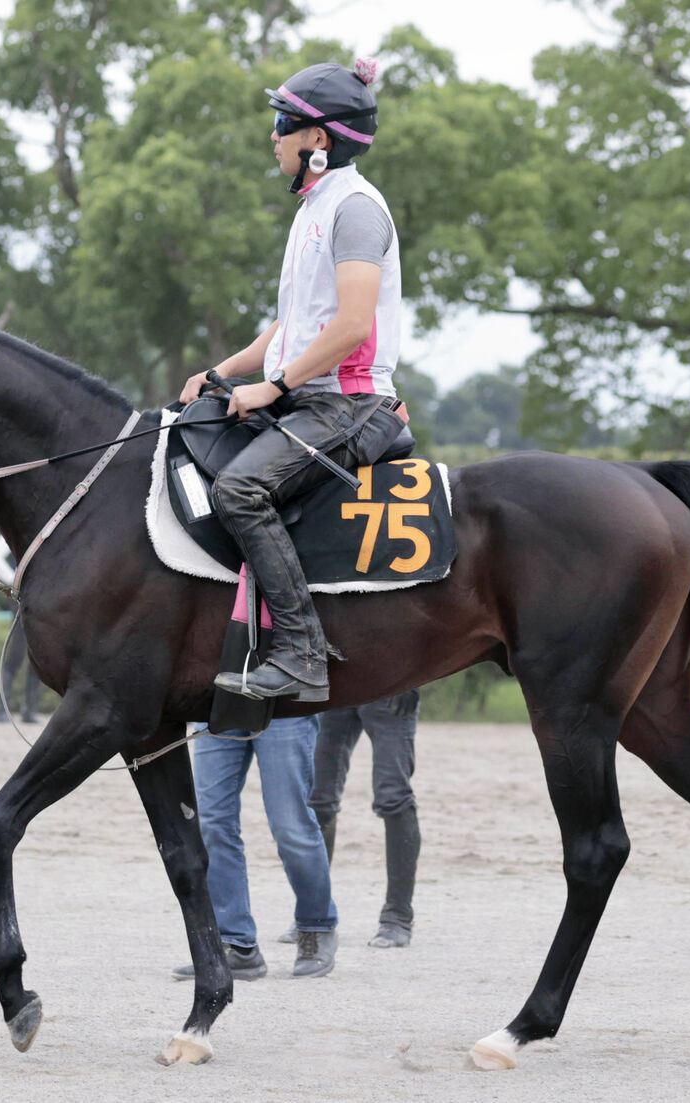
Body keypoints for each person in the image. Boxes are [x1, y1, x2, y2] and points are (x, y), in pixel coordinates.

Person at [180, 57, 407, 703]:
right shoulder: (314, 208)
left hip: (349, 405)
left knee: (241, 490)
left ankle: (304, 655)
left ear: (320, 140)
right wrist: (220, 373)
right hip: (313, 397)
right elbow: (289, 331)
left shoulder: (356, 209)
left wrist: (272, 389)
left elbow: (353, 326)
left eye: (284, 123)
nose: (273, 135)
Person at [171, 715, 338, 980]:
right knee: (211, 822)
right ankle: (236, 944)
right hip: (217, 703)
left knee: (290, 826)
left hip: (286, 703)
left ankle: (316, 925)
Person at [296, 690, 421, 948]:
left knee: (393, 796)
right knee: (318, 797)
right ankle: (314, 913)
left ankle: (397, 916)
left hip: (391, 683)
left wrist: (415, 680)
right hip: (335, 687)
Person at [0, 535, 41, 724]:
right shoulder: (13, 529)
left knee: (39, 657)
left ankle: (29, 709)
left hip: (43, 598)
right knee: (15, 656)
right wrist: (16, 581)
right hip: (23, 600)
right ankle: (1, 709)